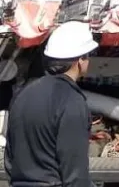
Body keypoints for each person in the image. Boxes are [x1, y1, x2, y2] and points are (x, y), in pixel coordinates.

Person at [4, 20, 97, 187]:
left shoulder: (23, 94)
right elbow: (75, 172)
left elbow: (10, 158)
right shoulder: (71, 101)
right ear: (80, 60)